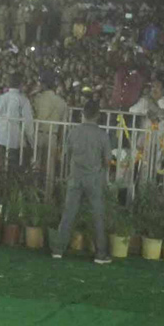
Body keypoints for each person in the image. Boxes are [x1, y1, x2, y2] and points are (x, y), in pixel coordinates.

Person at [53, 100, 111, 264]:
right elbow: (107, 160)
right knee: (97, 216)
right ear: (98, 116)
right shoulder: (102, 135)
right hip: (94, 178)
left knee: (68, 213)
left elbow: (64, 154)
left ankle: (58, 249)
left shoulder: (73, 132)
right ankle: (100, 254)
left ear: (82, 114)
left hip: (75, 176)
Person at [0, 72, 35, 171]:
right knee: (13, 171)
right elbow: (28, 123)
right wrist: (32, 141)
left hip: (1, 138)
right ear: (21, 84)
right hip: (15, 141)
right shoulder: (23, 100)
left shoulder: (1, 98)